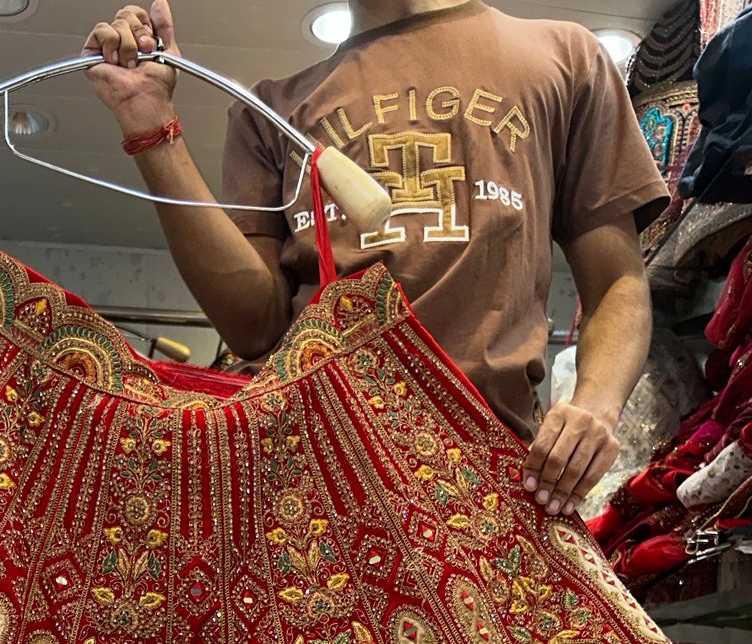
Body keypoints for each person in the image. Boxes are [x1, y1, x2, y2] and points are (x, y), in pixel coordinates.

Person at [83, 0, 669, 519]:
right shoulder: (270, 109)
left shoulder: (565, 58)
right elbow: (253, 325)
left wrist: (596, 404)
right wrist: (151, 125)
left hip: (496, 479)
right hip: (306, 488)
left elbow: (618, 279)